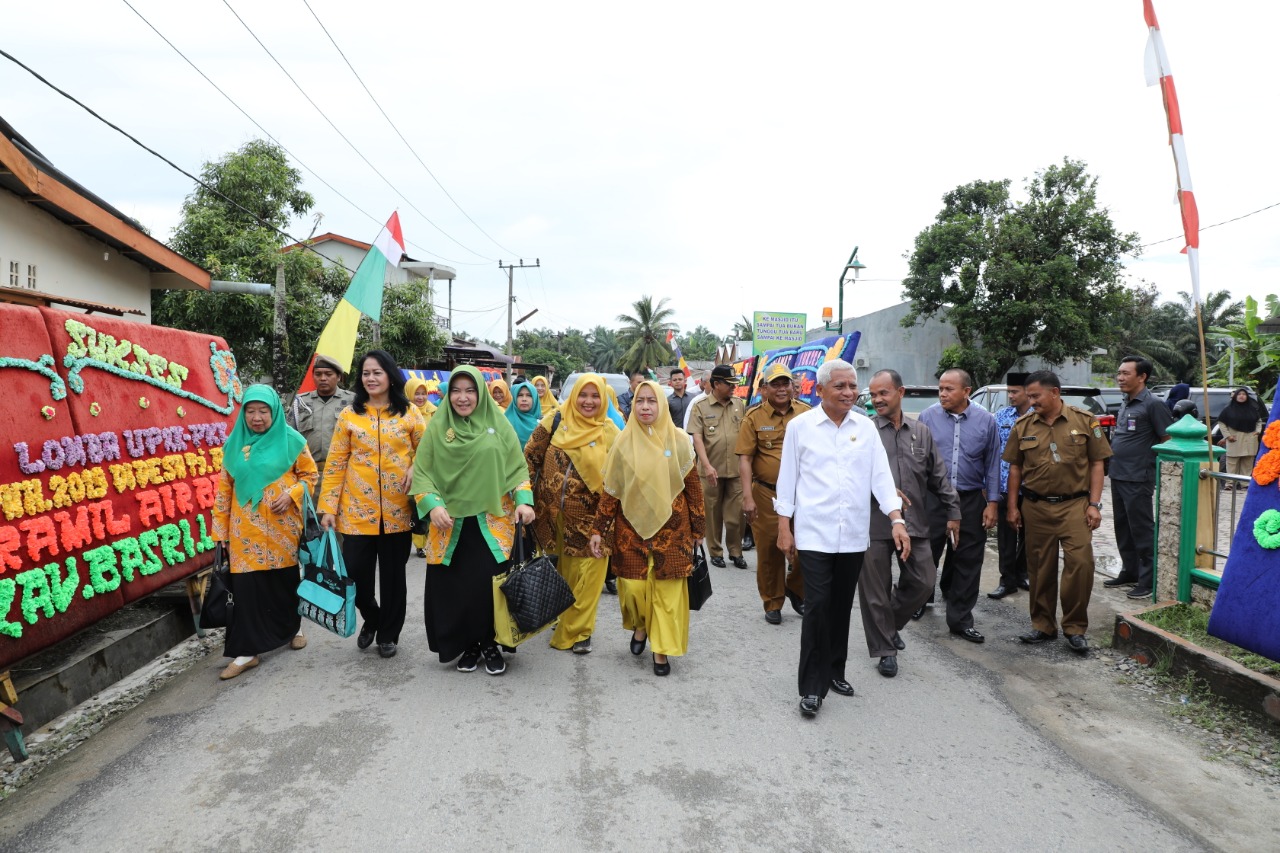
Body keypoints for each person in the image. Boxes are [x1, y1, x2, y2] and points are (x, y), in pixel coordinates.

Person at [775, 360, 908, 718]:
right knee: (818, 605)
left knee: (839, 606)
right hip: (814, 534)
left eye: (852, 385)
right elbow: (787, 480)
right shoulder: (800, 427)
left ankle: (835, 670)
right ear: (820, 390)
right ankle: (811, 686)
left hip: (852, 535)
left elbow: (881, 478)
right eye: (840, 386)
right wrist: (784, 527)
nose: (849, 392)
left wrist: (896, 519)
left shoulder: (865, 429)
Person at [412, 366, 535, 676]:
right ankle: (468, 644)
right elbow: (422, 472)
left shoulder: (499, 424)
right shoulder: (437, 427)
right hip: (449, 524)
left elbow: (517, 468)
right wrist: (432, 505)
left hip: (491, 521)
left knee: (488, 587)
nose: (462, 397)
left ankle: (490, 643)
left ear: (480, 393)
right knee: (457, 588)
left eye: (470, 390)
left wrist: (524, 501)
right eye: (456, 390)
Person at [589, 381, 704, 675]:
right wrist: (598, 530)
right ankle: (640, 625)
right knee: (633, 589)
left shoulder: (679, 441)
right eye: (640, 401)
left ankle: (661, 651)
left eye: (652, 401)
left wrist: (699, 528)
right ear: (633, 405)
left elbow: (693, 487)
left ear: (661, 405)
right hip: (630, 529)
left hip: (674, 530)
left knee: (668, 594)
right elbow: (611, 491)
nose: (645, 407)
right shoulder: (623, 443)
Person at [319, 350, 425, 659]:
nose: (371, 378)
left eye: (377, 372)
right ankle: (373, 617)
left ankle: (388, 634)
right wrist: (328, 507)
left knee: (393, 579)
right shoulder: (349, 415)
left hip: (397, 511)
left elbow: (428, 450)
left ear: (390, 375)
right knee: (355, 575)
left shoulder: (409, 413)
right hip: (356, 511)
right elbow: (336, 463)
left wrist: (415, 466)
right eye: (366, 373)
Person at [211, 385, 318, 680]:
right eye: (250, 411)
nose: (256, 417)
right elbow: (224, 491)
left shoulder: (293, 440)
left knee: (283, 581)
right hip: (244, 530)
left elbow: (310, 476)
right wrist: (219, 533)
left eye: (263, 411)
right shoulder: (234, 445)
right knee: (247, 589)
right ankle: (248, 652)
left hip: (282, 528)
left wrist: (293, 493)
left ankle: (293, 628)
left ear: (274, 412)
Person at [860, 370, 960, 677]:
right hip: (874, 523)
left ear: (900, 392)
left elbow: (938, 476)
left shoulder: (921, 432)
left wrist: (953, 511)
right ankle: (886, 651)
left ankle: (888, 625)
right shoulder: (864, 431)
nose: (877, 400)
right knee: (875, 590)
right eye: (873, 395)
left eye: (883, 393)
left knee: (923, 581)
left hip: (914, 521)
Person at [1005, 371, 1112, 653]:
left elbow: (1097, 463)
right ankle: (1043, 625)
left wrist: (1094, 504)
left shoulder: (1085, 421)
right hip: (1036, 507)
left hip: (1075, 505)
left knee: (1081, 565)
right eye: (1029, 396)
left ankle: (1075, 628)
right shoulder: (1023, 425)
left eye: (1035, 396)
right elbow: (1015, 467)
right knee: (1040, 568)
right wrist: (1013, 507)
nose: (1031, 401)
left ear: (1054, 392)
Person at [525, 373, 620, 653]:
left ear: (604, 399)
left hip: (595, 520)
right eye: (583, 395)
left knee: (589, 576)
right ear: (574, 395)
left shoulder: (611, 432)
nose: (588, 401)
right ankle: (565, 617)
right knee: (563, 574)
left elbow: (622, 478)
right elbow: (529, 457)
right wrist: (525, 499)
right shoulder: (555, 420)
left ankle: (579, 631)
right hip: (552, 517)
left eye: (595, 396)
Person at [917, 369, 1001, 643]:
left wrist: (992, 503)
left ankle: (960, 620)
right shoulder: (928, 417)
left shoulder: (986, 421)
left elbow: (992, 464)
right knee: (926, 552)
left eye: (949, 389)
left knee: (968, 559)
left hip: (970, 500)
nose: (942, 394)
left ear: (966, 391)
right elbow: (917, 461)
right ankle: (920, 598)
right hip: (934, 498)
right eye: (940, 388)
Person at [736, 363, 809, 624]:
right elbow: (745, 459)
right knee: (769, 550)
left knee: (806, 547)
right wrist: (747, 497)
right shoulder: (753, 417)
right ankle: (773, 601)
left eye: (785, 383)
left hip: (803, 495)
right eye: (775, 384)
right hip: (767, 494)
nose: (781, 389)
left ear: (792, 386)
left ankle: (796, 588)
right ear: (764, 389)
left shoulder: (807, 414)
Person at [1105, 356, 1175, 600]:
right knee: (1123, 527)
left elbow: (1167, 438)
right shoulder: (1126, 402)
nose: (1120, 378)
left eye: (1126, 373)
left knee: (1142, 529)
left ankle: (1148, 580)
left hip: (1138, 477)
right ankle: (1130, 570)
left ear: (1142, 377)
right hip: (1118, 474)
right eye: (1119, 373)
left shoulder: (1153, 404)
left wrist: (1156, 468)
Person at [687, 364, 747, 569]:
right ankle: (716, 552)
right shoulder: (700, 406)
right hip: (710, 470)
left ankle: (736, 551)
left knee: (736, 515)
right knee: (712, 514)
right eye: (729, 384)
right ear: (716, 384)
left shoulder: (739, 404)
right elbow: (697, 438)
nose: (733, 388)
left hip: (736, 470)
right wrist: (706, 465)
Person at [989, 373, 1032, 599]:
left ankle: (1022, 574)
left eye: (1015, 392)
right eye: (1009, 392)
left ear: (1027, 391)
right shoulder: (1001, 416)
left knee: (1028, 535)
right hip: (1005, 486)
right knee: (1006, 537)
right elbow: (991, 451)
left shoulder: (1039, 416)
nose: (1011, 396)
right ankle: (1007, 580)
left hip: (1032, 487)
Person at [291, 354, 355, 472]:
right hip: (308, 472)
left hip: (342, 472)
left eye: (328, 374)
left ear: (339, 377)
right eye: (318, 374)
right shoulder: (300, 402)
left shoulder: (352, 402)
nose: (323, 378)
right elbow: (289, 437)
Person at [405, 376, 439, 558]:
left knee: (428, 503)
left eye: (423, 393)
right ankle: (418, 542)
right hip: (408, 465)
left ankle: (426, 542)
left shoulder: (435, 412)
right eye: (416, 394)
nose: (420, 397)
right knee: (413, 506)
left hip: (431, 465)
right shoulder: (402, 413)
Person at [1218, 388, 1264, 486]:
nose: (1241, 396)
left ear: (1247, 397)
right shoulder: (1228, 409)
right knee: (1232, 462)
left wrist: (1257, 431)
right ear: (1235, 396)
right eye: (1239, 394)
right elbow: (1221, 423)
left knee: (1247, 463)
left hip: (1250, 438)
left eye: (1244, 394)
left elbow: (1258, 421)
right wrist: (1227, 436)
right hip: (1235, 438)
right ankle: (1230, 484)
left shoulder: (1252, 409)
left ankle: (1245, 484)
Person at [505, 380, 542, 448]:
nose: (524, 399)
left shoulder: (542, 424)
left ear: (535, 399)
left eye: (529, 395)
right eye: (520, 395)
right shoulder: (505, 422)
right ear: (515, 398)